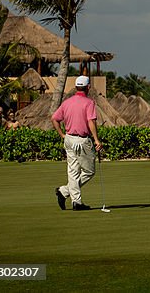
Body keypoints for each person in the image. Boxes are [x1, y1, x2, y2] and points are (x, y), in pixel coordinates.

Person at [51, 75, 103, 210]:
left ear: (75, 87)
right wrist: (96, 139)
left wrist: (62, 135)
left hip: (68, 138)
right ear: (88, 87)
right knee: (89, 171)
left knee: (73, 171)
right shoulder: (89, 102)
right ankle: (67, 194)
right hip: (81, 140)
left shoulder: (67, 102)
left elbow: (54, 119)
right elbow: (91, 121)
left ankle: (70, 196)